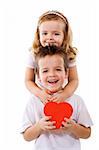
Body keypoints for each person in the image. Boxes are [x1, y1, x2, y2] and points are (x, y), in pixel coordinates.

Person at [20, 46, 93, 150]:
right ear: (38, 75)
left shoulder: (76, 100)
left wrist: (73, 128)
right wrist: (39, 126)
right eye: (45, 71)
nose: (52, 74)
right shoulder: (34, 102)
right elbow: (26, 136)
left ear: (66, 73)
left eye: (58, 69)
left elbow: (87, 134)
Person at [25, 10, 79, 103]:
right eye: (45, 33)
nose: (50, 37)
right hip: (41, 98)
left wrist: (64, 94)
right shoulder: (34, 54)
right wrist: (40, 93)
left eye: (56, 34)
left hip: (61, 96)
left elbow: (74, 80)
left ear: (64, 36)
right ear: (39, 35)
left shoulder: (68, 54)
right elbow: (28, 80)